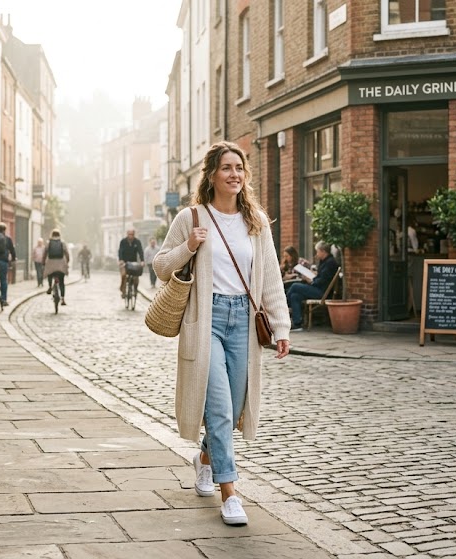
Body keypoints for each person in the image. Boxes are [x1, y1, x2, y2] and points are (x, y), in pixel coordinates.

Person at [151, 141, 290, 526]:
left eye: (239, 168)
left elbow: (271, 279)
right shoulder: (192, 217)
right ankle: (230, 492)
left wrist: (281, 326)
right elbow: (161, 267)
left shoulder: (255, 221)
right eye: (227, 167)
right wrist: (188, 247)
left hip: (243, 319)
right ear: (211, 174)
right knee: (218, 406)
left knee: (235, 404)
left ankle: (205, 458)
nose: (234, 174)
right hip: (206, 320)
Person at [285, 241, 340, 331]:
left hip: (322, 292)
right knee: (295, 296)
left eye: (317, 251)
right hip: (317, 288)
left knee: (295, 286)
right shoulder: (323, 261)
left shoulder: (330, 263)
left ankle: (284, 306)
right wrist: (312, 276)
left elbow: (322, 281)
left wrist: (311, 280)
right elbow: (320, 277)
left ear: (323, 251)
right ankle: (297, 323)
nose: (316, 254)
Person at [42, 229, 69, 305]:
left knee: (49, 273)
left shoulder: (49, 243)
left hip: (51, 262)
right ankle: (63, 299)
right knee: (62, 282)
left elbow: (45, 253)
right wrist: (67, 262)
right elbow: (66, 253)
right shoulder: (62, 243)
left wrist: (43, 262)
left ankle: (50, 286)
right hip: (61, 263)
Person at [118, 229, 144, 296]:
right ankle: (123, 290)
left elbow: (140, 251)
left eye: (132, 234)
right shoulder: (123, 241)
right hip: (124, 263)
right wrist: (121, 260)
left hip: (133, 263)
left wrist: (142, 261)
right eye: (129, 234)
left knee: (136, 277)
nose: (131, 236)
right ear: (127, 234)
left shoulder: (137, 242)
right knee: (123, 275)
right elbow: (120, 251)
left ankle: (135, 289)